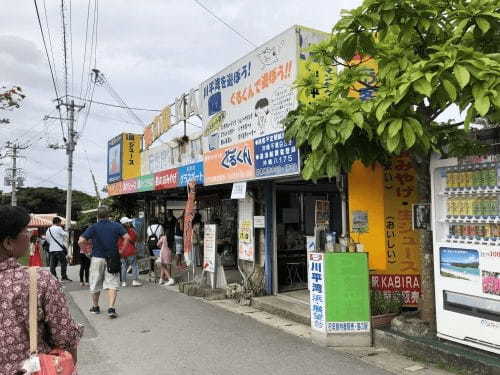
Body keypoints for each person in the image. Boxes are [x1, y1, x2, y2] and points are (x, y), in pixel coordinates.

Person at [0, 205, 83, 375]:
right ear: (8, 242)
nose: (29, 234)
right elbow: (65, 338)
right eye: (25, 231)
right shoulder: (39, 281)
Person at [78, 205, 129, 319]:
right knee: (112, 283)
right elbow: (127, 237)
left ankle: (95, 307)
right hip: (113, 257)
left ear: (98, 215)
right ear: (108, 214)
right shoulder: (116, 226)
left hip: (97, 258)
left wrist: (86, 251)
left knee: (95, 282)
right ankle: (111, 308)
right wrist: (121, 250)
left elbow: (81, 240)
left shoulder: (93, 227)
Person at [45, 216, 71, 281]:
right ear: (58, 222)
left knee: (52, 264)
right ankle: (64, 276)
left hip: (51, 249)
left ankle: (54, 277)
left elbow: (47, 240)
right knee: (63, 262)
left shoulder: (48, 229)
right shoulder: (58, 228)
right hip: (59, 249)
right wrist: (65, 232)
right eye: (60, 222)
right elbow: (66, 235)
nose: (60, 224)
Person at [118, 216, 142, 287]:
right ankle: (134, 281)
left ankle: (123, 282)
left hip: (122, 251)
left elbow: (117, 242)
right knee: (134, 266)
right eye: (128, 222)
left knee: (124, 267)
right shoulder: (131, 230)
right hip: (131, 250)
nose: (129, 223)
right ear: (126, 223)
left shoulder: (118, 231)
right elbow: (135, 238)